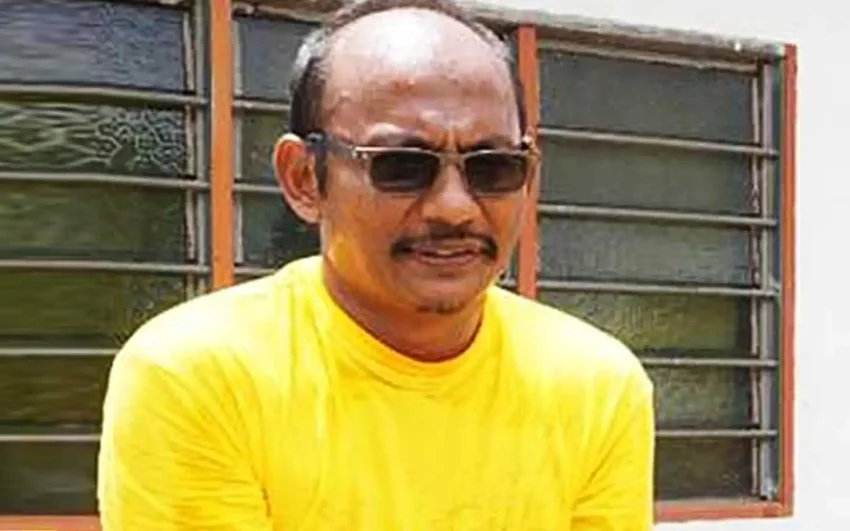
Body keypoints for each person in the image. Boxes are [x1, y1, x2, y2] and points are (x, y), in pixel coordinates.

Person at [97, 0, 655, 529]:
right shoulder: (201, 377)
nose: (455, 207)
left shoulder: (595, 386)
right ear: (303, 178)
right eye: (402, 166)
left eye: (493, 167)